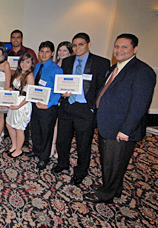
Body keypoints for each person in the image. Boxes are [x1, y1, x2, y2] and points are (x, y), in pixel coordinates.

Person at [84, 34, 156, 204]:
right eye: (117, 46)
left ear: (135, 49)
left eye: (124, 47)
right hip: (107, 124)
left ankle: (106, 194)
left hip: (121, 129)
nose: (119, 50)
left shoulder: (142, 71)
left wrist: (126, 130)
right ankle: (113, 187)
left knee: (114, 163)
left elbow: (140, 105)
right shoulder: (114, 68)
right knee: (110, 161)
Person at [53, 33, 110, 185]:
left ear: (89, 44)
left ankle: (81, 171)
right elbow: (62, 82)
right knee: (62, 139)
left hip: (85, 109)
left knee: (83, 143)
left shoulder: (101, 63)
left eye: (81, 44)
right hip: (67, 106)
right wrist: (62, 92)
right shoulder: (67, 61)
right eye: (75, 45)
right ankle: (63, 163)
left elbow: (102, 88)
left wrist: (95, 109)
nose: (77, 48)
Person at [29, 41, 62, 170]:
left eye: (47, 51)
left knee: (46, 132)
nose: (44, 54)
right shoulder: (36, 66)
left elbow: (57, 90)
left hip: (48, 107)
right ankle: (36, 151)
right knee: (35, 129)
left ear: (52, 53)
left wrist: (48, 104)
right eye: (42, 51)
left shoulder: (57, 69)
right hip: (35, 104)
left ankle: (44, 157)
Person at [5, 53, 35, 159]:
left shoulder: (29, 75)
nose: (24, 64)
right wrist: (10, 90)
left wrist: (18, 106)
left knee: (19, 128)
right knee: (9, 124)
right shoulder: (19, 73)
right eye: (22, 61)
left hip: (23, 105)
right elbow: (15, 87)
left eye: (27, 62)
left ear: (32, 64)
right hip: (14, 101)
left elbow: (30, 96)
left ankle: (19, 149)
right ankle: (14, 145)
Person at [50, 41, 73, 159]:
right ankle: (52, 146)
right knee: (54, 123)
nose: (62, 52)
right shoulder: (54, 64)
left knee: (61, 125)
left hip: (65, 99)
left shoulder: (71, 65)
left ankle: (59, 148)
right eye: (60, 50)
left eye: (65, 50)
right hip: (54, 98)